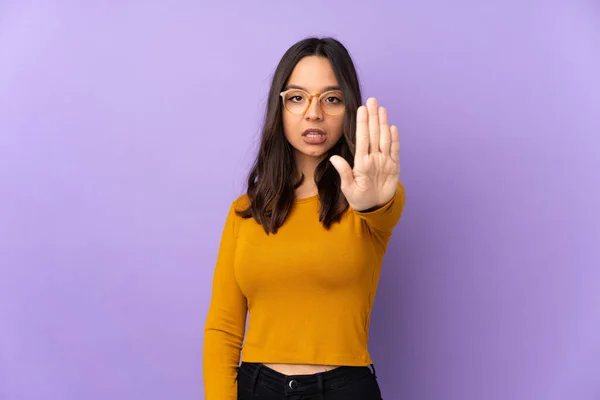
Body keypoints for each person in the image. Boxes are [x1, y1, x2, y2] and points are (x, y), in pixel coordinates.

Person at [202, 37, 406, 400]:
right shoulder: (244, 212)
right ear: (278, 109)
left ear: (349, 110)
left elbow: (384, 210)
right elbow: (223, 328)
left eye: (332, 99)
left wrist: (373, 201)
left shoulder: (369, 200)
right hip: (257, 388)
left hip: (344, 389)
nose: (314, 113)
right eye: (297, 97)